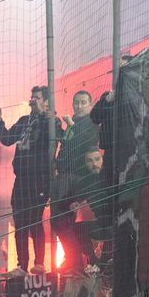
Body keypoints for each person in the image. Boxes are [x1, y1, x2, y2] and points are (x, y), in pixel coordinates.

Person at [0, 86, 62, 275]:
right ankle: (22, 266)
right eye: (31, 97)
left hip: (39, 179)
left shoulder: (52, 121)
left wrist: (44, 116)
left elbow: (53, 140)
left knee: (34, 221)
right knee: (20, 223)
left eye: (37, 98)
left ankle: (39, 263)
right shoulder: (24, 121)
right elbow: (7, 138)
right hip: (21, 179)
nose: (32, 101)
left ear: (46, 101)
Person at [52, 90, 99, 274]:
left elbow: (86, 143)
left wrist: (71, 125)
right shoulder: (74, 123)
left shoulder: (91, 122)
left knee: (61, 219)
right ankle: (75, 260)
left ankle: (75, 260)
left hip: (77, 176)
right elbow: (67, 143)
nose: (79, 106)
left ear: (90, 104)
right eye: (76, 103)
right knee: (62, 220)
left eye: (83, 102)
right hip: (65, 175)